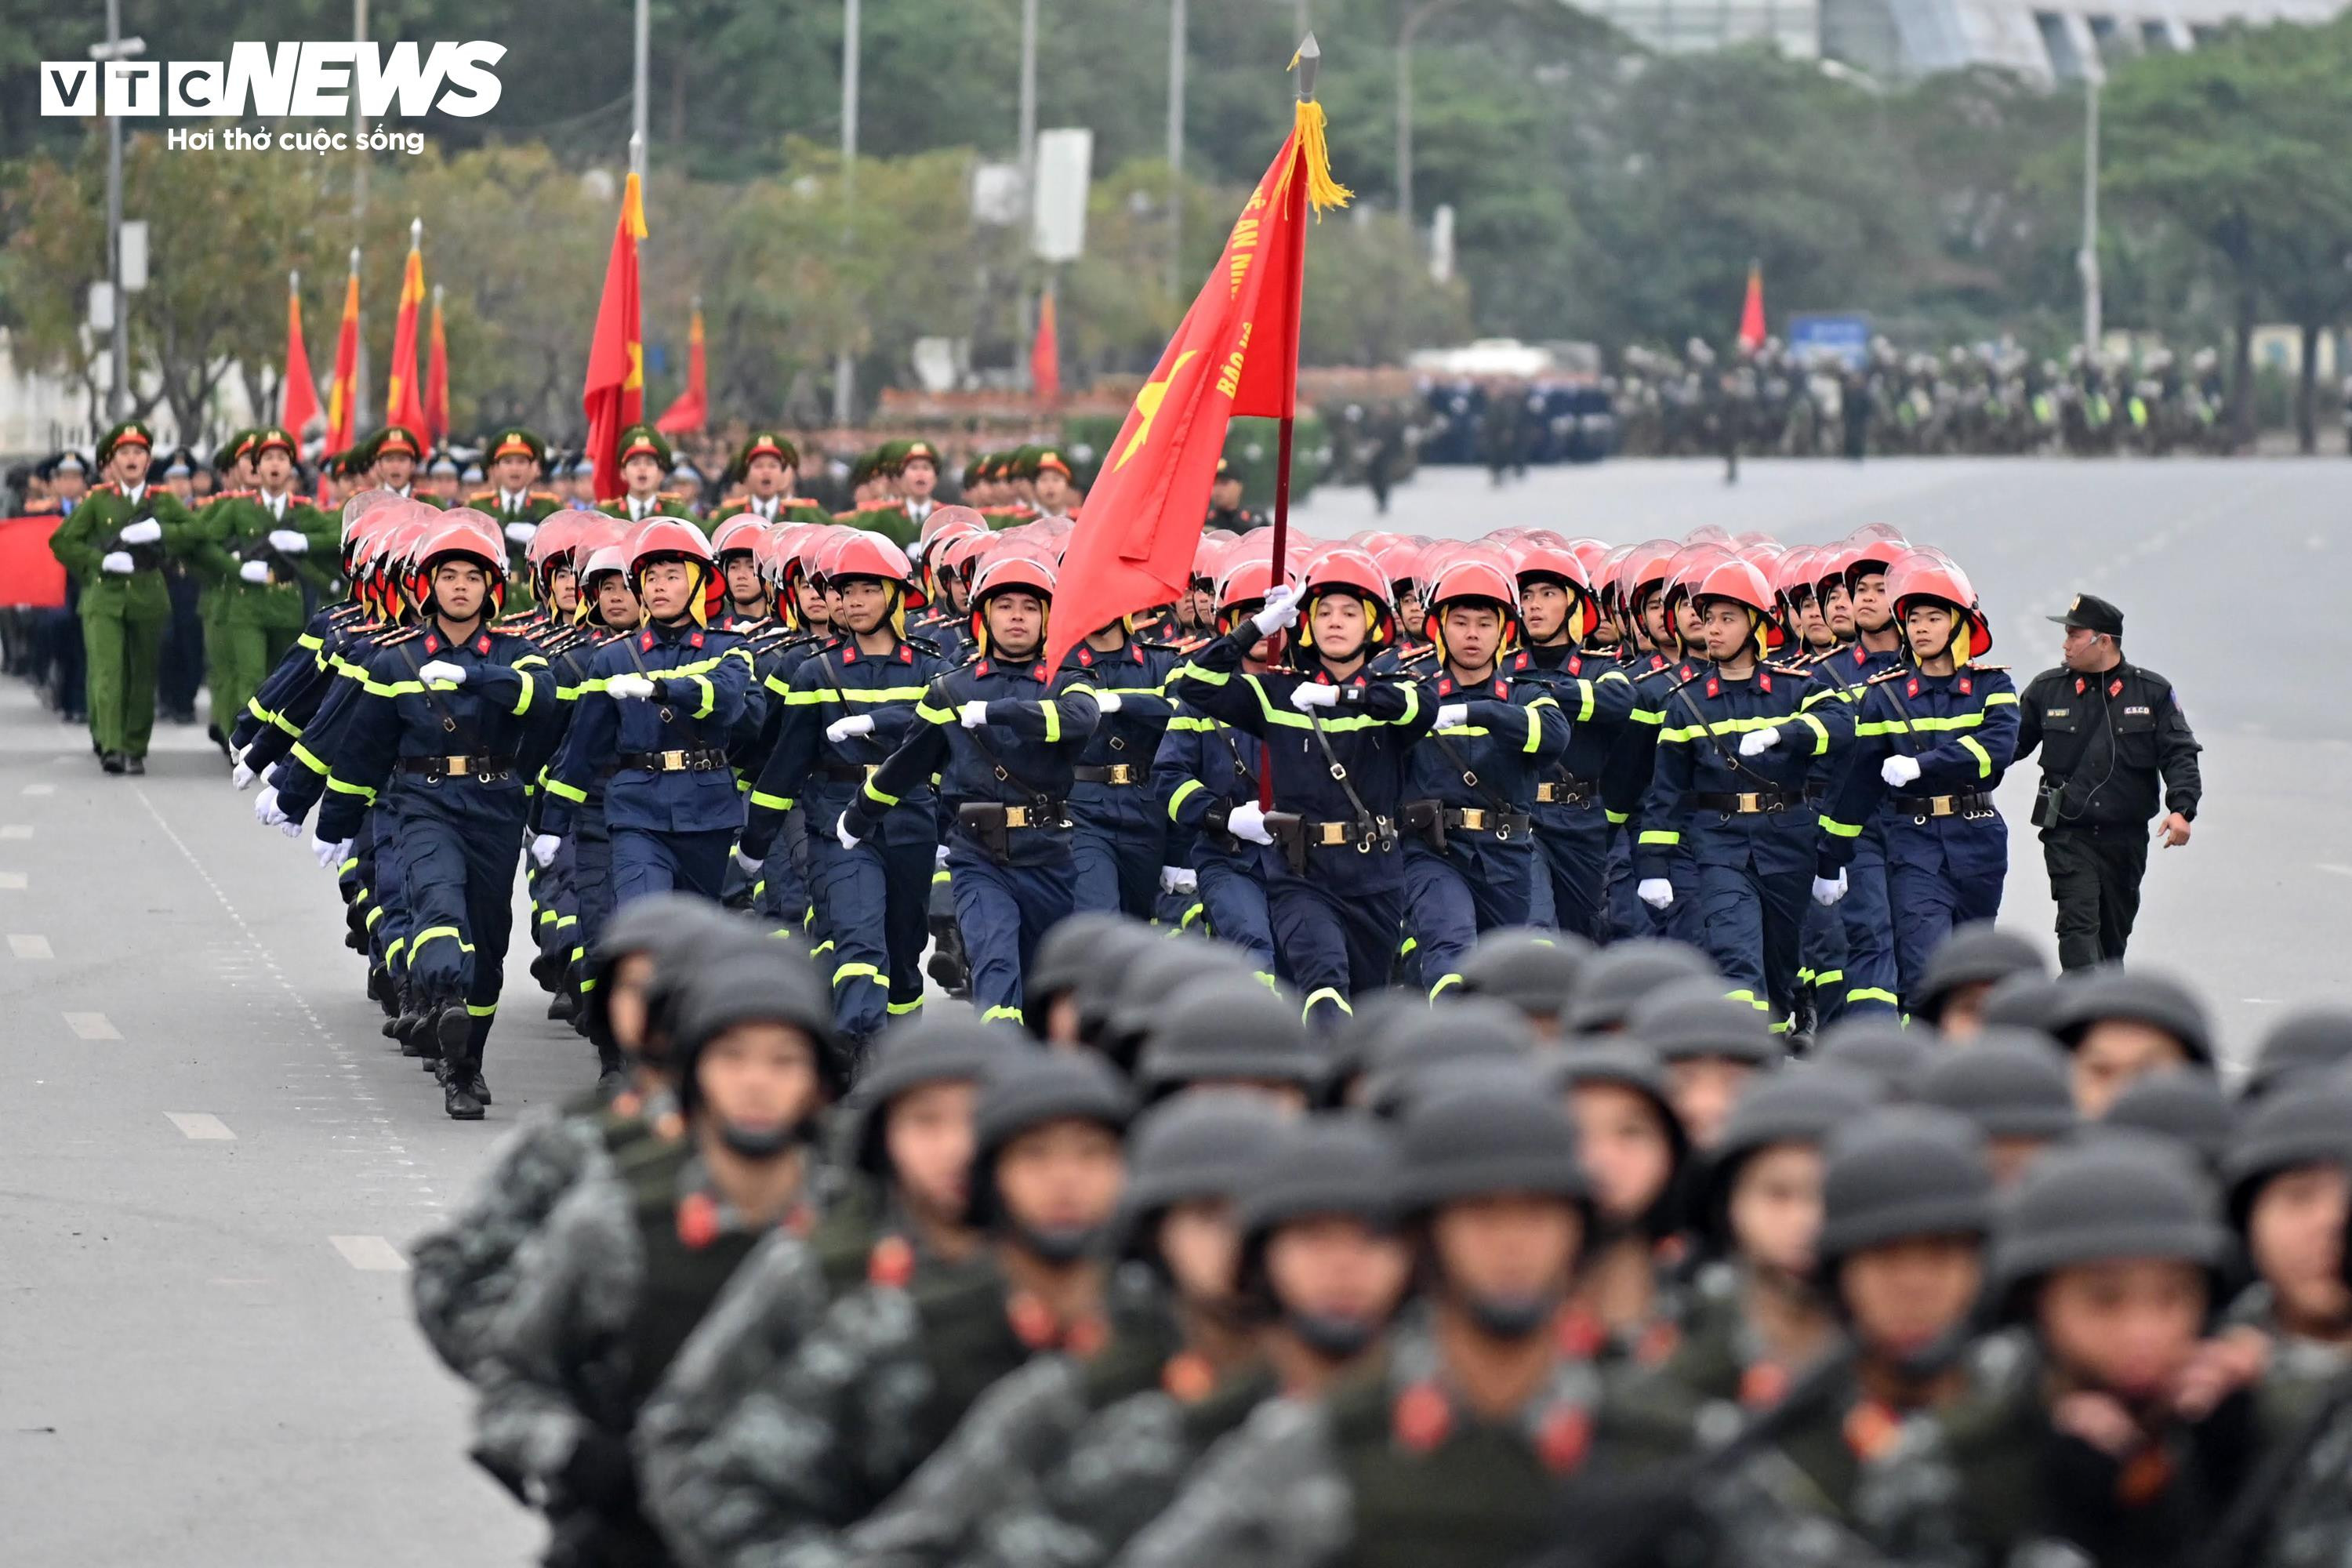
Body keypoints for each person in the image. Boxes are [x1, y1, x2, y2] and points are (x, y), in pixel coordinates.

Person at [471, 944, 844, 1565]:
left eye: (784, 1062)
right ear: (693, 1074)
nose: (757, 1082)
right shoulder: (614, 1223)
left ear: (818, 1086)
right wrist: (575, 1453)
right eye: (732, 1058)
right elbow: (510, 1382)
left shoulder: (866, 1227)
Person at [307, 512, 553, 1118]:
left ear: (491, 588)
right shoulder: (396, 662)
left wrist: (475, 675)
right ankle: (441, 1004)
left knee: (490, 942)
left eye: (473, 576)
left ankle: (466, 1061)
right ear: (428, 586)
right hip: (425, 802)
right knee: (440, 903)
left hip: (495, 804)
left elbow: (542, 701)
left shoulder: (520, 654)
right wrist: (334, 822)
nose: (461, 587)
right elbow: (363, 747)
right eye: (449, 576)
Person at [834, 549, 1102, 1024]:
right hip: (979, 854)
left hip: (1050, 853)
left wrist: (999, 713)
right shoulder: (950, 689)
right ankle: (999, 1066)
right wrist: (859, 815)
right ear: (983, 617)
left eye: (1029, 607)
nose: (1016, 617)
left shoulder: (1069, 680)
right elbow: (907, 763)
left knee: (1048, 978)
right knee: (995, 959)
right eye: (1004, 606)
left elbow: (1080, 721)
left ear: (1046, 619)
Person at [1171, 550, 1437, 1025]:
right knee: (1324, 985)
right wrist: (1256, 628)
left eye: (1350, 612)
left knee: (1367, 1006)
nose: (1336, 622)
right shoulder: (1279, 694)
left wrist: (1341, 696)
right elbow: (1197, 684)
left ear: (1373, 625)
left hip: (1375, 874)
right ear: (1308, 624)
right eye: (1325, 612)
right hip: (1301, 875)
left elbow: (1421, 709)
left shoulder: (1394, 689)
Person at [1813, 550, 2017, 1009]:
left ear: (1960, 625)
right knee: (1924, 963)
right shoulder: (1884, 695)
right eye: (1915, 619)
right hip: (1914, 844)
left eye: (1933, 618)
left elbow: (1996, 752)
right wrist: (1831, 859)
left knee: (1973, 965)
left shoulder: (1993, 687)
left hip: (1978, 839)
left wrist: (1925, 765)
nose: (1921, 628)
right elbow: (1860, 784)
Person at [538, 517, 757, 911]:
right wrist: (552, 824)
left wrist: (662, 689)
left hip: (706, 810)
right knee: (643, 920)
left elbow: (726, 698)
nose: (658, 586)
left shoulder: (728, 648)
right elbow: (583, 747)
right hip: (636, 811)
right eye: (651, 577)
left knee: (693, 938)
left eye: (672, 576)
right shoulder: (613, 658)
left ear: (697, 584)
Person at [2013, 592, 2203, 970]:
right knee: (2078, 935)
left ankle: (2100, 1015)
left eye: (2074, 635)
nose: (2065, 645)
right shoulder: (2047, 689)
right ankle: (2077, 1017)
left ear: (2104, 641)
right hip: (2068, 836)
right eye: (2065, 635)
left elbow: (2179, 752)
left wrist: (2182, 810)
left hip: (2125, 841)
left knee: (2111, 947)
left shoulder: (2152, 692)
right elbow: (2006, 746)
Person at [46, 420, 198, 775]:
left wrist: (161, 530)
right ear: (112, 463)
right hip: (104, 597)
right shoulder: (98, 501)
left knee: (143, 674)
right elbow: (63, 541)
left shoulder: (160, 501)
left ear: (148, 461)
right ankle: (111, 745)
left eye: (138, 453)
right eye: (124, 453)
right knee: (108, 673)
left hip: (147, 595)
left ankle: (134, 745)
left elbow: (196, 531)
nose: (131, 458)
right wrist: (100, 561)